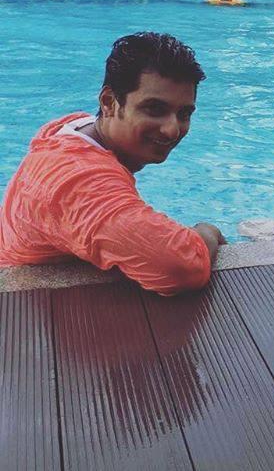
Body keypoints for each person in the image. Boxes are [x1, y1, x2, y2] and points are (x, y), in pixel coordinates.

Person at [0, 33, 226, 295]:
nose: (172, 129)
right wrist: (207, 231)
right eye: (154, 109)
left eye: (184, 113)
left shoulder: (76, 127)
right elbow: (180, 268)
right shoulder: (80, 180)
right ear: (108, 102)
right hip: (21, 299)